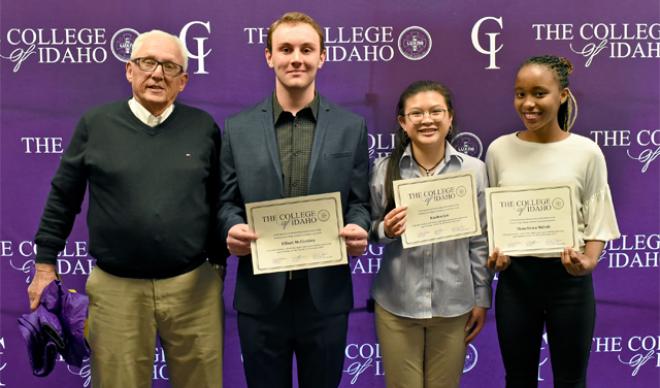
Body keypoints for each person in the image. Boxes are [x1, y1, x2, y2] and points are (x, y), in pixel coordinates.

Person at [27, 30, 225, 388]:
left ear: (183, 81)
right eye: (147, 62)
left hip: (193, 288)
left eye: (169, 66)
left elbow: (219, 200)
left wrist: (219, 264)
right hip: (117, 289)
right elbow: (63, 196)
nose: (157, 74)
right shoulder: (96, 124)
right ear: (129, 70)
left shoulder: (203, 128)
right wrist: (44, 266)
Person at [219, 11, 370, 388]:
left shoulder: (351, 127)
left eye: (307, 49)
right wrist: (231, 227)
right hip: (261, 296)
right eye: (285, 49)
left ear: (323, 56)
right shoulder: (238, 129)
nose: (296, 58)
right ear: (269, 56)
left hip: (325, 296)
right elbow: (225, 202)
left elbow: (360, 202)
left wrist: (360, 227)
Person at [485, 55, 620, 388]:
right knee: (518, 379)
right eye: (520, 94)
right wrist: (494, 256)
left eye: (539, 93)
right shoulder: (499, 150)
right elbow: (492, 217)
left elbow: (597, 215)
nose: (528, 103)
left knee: (571, 381)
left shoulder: (586, 151)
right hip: (516, 282)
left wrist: (588, 260)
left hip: (568, 283)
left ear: (562, 95)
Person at [369, 80, 492, 388]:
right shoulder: (384, 169)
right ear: (403, 122)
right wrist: (385, 229)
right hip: (397, 305)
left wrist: (481, 298)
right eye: (416, 113)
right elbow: (365, 228)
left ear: (450, 118)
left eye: (436, 111)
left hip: (454, 305)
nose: (427, 120)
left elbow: (480, 241)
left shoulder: (474, 170)